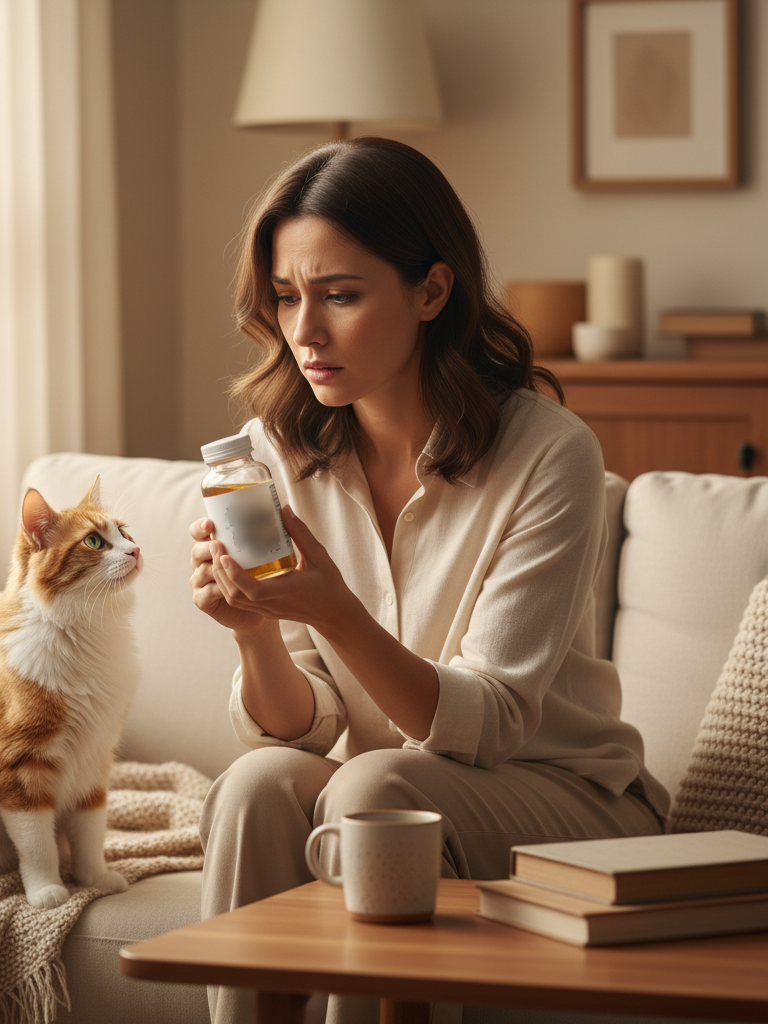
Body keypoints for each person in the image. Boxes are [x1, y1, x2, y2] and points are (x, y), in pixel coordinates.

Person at [189, 137, 669, 1024]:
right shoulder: (276, 456)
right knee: (259, 785)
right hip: (381, 781)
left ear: (431, 291)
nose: (306, 332)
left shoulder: (548, 454)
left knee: (375, 793)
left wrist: (334, 609)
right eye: (288, 298)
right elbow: (310, 726)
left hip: (562, 794)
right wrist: (257, 627)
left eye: (340, 295)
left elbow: (486, 724)